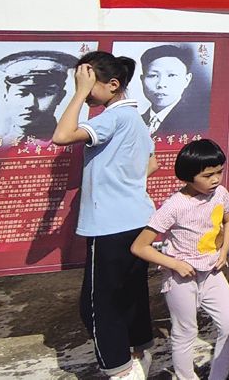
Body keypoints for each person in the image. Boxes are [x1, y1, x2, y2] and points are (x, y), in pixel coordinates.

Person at [51, 51, 159, 380]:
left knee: (99, 306)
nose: (83, 90)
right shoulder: (134, 118)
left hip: (111, 225)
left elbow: (61, 136)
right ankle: (139, 355)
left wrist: (79, 94)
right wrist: (122, 180)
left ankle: (120, 370)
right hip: (137, 220)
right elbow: (152, 164)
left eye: (87, 83)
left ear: (113, 84)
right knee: (130, 294)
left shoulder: (113, 117)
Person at [130, 139, 229, 380]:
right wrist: (175, 264)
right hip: (180, 279)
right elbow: (139, 246)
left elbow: (228, 220)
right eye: (208, 175)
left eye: (219, 172)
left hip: (212, 272)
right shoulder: (174, 206)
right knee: (185, 331)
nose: (216, 179)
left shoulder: (221, 194)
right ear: (188, 177)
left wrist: (224, 251)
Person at [0, 50, 78, 141]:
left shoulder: (73, 144)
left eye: (43, 94)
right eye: (22, 93)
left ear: (60, 97)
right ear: (6, 96)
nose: (30, 104)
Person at [138, 44, 207, 135]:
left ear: (186, 80)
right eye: (153, 75)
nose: (161, 84)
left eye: (171, 75)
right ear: (142, 79)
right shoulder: (136, 122)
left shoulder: (198, 123)